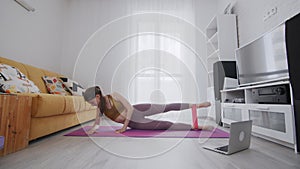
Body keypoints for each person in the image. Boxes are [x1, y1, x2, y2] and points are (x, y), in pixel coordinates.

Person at [83, 86, 213, 134]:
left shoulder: (114, 95)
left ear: (97, 96)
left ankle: (197, 105)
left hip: (138, 110)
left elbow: (129, 108)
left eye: (92, 102)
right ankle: (197, 126)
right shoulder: (100, 109)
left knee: (166, 107)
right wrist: (92, 130)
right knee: (166, 125)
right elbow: (96, 123)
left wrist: (124, 128)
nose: (92, 104)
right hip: (135, 123)